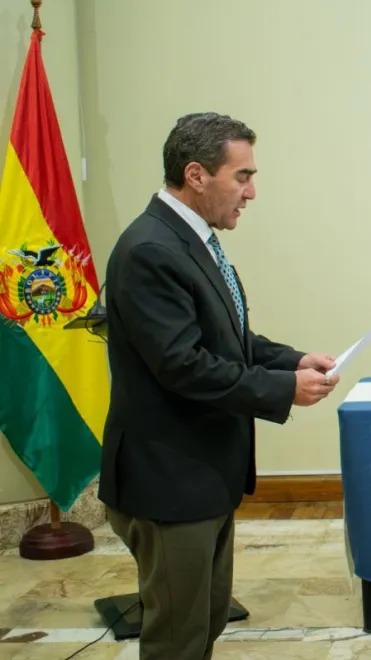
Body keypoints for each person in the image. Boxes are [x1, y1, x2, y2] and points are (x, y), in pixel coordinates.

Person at [98, 112, 340, 660]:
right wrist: (282, 389)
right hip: (169, 481)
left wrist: (294, 359)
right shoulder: (151, 250)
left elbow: (228, 339)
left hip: (203, 475)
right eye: (243, 176)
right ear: (197, 175)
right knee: (177, 637)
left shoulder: (191, 239)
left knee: (204, 620)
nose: (251, 192)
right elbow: (183, 365)